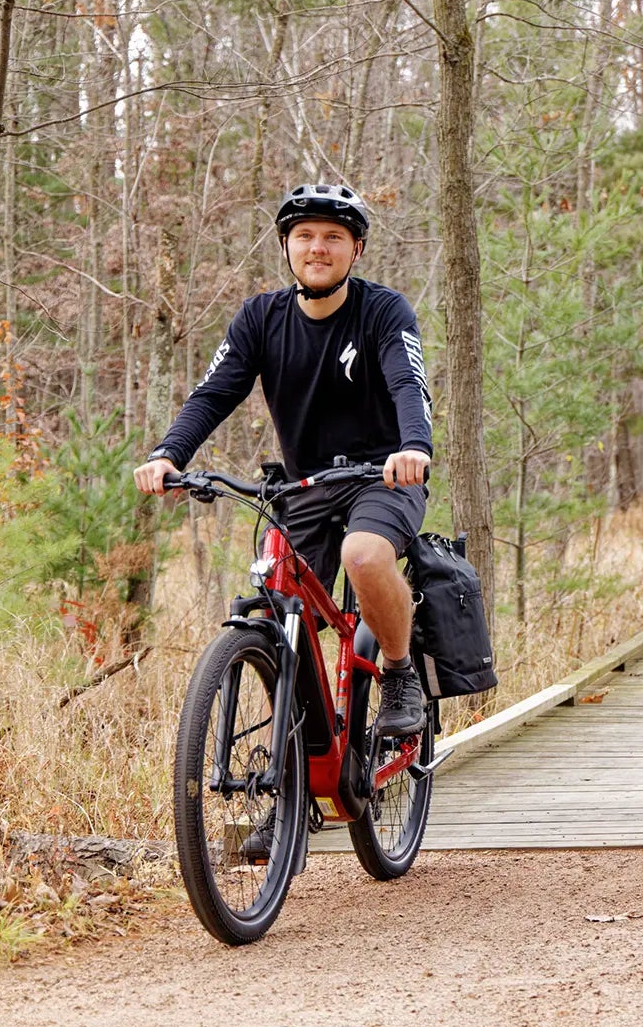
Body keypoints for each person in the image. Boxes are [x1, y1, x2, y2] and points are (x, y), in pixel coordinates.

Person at [133, 183, 434, 755]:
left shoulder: (382, 310)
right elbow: (213, 394)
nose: (317, 248)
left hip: (384, 477)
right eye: (305, 237)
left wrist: (413, 446)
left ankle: (398, 671)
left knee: (364, 555)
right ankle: (291, 786)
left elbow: (407, 383)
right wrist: (168, 455)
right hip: (304, 486)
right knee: (281, 619)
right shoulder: (260, 318)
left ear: (357, 250)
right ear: (287, 246)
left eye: (333, 238)